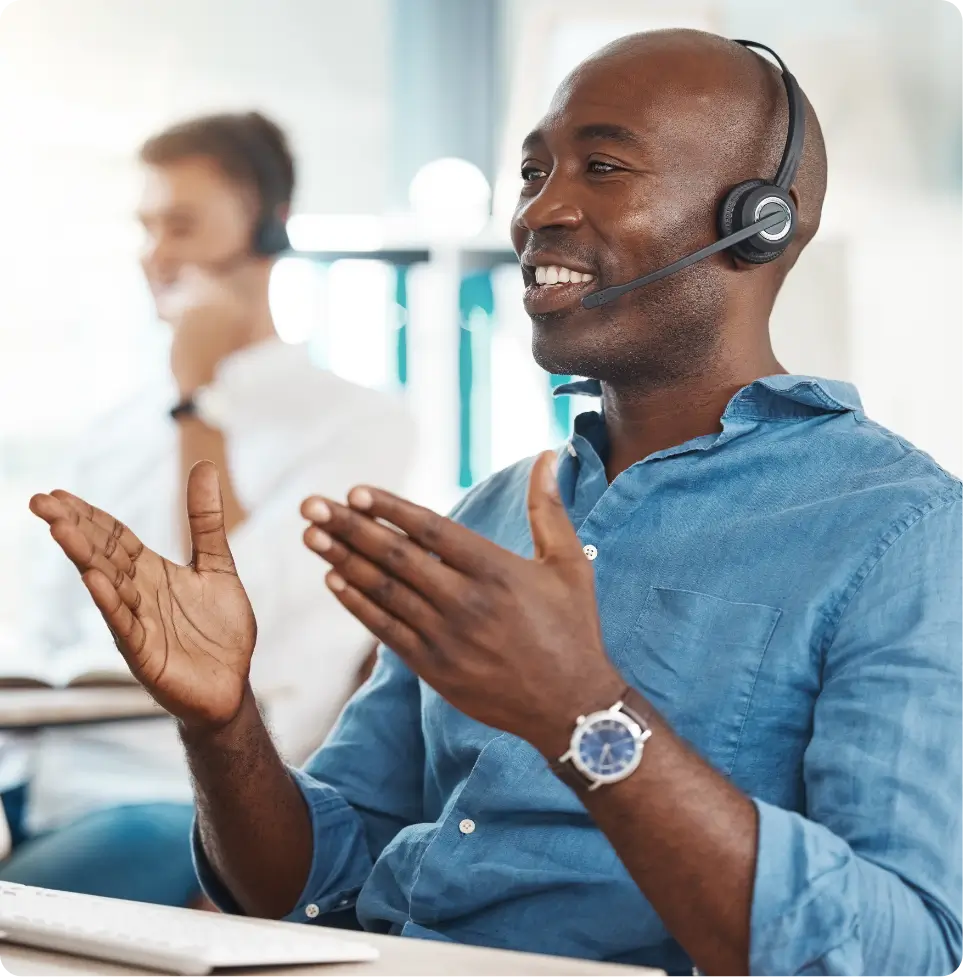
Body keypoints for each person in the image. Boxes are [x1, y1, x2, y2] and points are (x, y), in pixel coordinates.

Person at [29, 30, 963, 977]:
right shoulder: (496, 509)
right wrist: (219, 720)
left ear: (762, 220)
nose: (538, 211)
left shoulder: (904, 532)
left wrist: (583, 711)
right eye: (531, 171)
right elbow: (311, 885)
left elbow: (910, 951)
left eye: (601, 166)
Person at [5, 111, 414, 905]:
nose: (155, 256)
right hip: (44, 786)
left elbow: (220, 602)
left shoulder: (357, 423)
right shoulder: (115, 425)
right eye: (147, 226)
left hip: (174, 802)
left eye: (182, 226)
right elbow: (45, 636)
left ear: (268, 231)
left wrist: (198, 393)